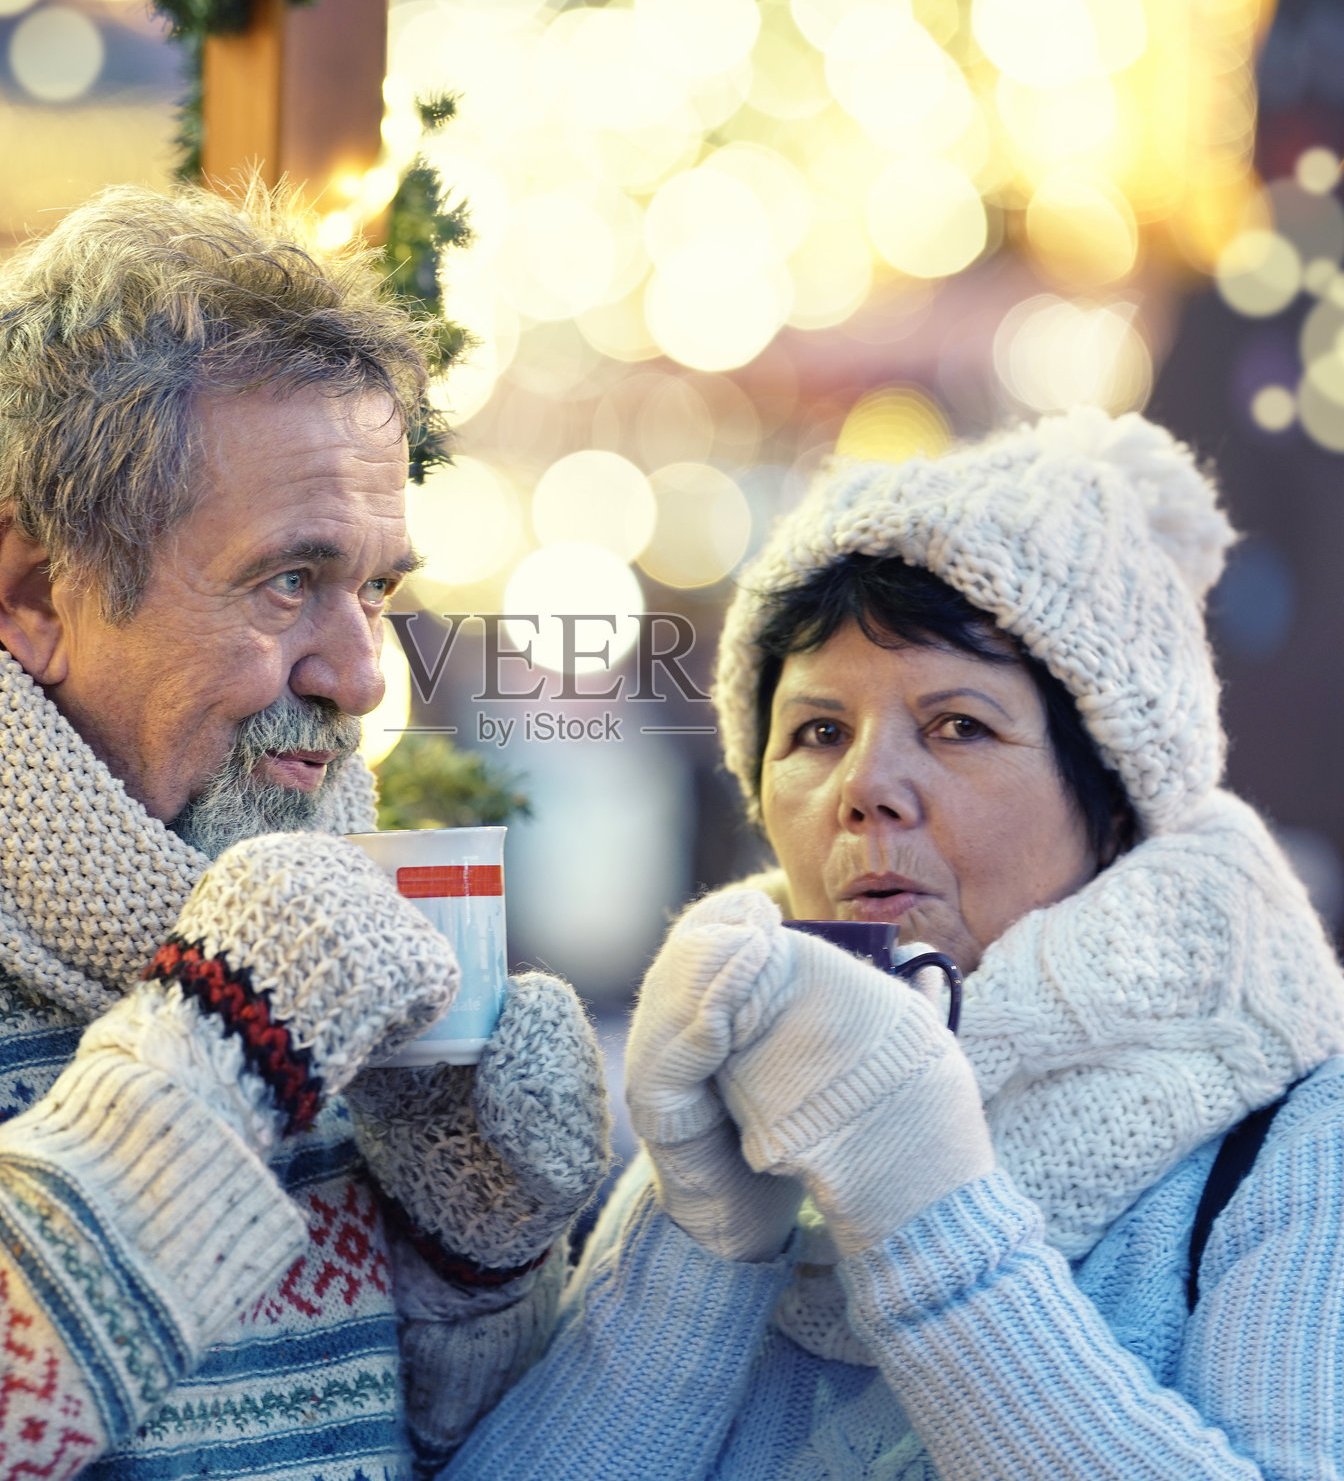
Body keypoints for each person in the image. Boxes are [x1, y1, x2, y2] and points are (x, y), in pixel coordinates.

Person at [0, 182, 609, 1481]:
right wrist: (228, 1041)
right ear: (36, 589)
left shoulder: (300, 893)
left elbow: (417, 1446)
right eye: (289, 581)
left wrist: (475, 1260)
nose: (364, 673)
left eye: (375, 588)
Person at [441, 407, 1344, 1480]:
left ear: (1112, 797)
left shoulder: (1297, 1134)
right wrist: (702, 1242)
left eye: (959, 725)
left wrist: (922, 1207)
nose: (865, 788)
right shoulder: (749, 1066)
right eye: (817, 732)